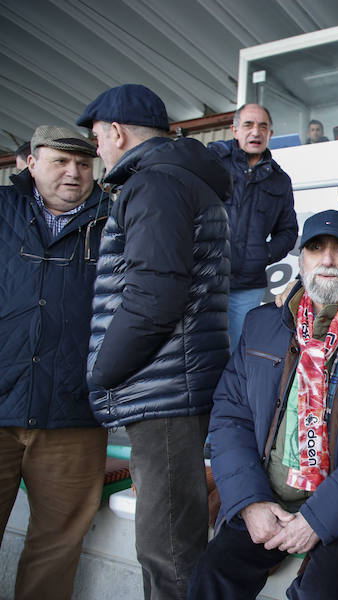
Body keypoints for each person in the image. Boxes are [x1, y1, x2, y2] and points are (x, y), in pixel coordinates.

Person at [190, 209, 338, 600]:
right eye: (315, 248)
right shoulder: (264, 324)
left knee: (319, 593)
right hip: (269, 496)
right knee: (212, 577)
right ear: (301, 261)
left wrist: (320, 518)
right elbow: (230, 418)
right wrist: (249, 501)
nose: (328, 259)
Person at [78, 83, 231, 600]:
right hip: (173, 383)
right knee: (173, 546)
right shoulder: (176, 179)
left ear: (117, 131)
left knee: (168, 553)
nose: (97, 149)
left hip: (164, 390)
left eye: (97, 137)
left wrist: (102, 373)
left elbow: (155, 296)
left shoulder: (156, 184)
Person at [0, 125, 109, 599]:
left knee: (55, 549)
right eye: (60, 161)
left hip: (74, 414)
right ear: (30, 161)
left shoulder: (116, 221)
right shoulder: (2, 211)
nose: (74, 172)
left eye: (84, 164)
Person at [209, 103, 298, 352]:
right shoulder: (213, 162)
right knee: (200, 351)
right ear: (235, 130)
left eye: (263, 126)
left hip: (248, 285)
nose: (255, 132)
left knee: (238, 352)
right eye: (248, 125)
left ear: (270, 133)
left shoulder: (280, 180)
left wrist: (264, 254)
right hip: (206, 278)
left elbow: (288, 231)